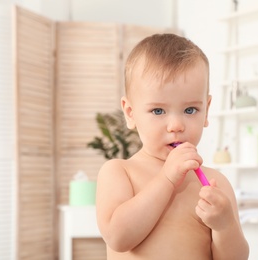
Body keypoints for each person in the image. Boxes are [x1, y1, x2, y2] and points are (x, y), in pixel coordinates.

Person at [96, 33, 249, 260]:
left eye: (190, 110)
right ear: (130, 113)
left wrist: (225, 226)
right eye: (158, 111)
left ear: (206, 110)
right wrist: (166, 179)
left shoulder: (215, 185)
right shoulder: (119, 172)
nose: (176, 125)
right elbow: (118, 238)